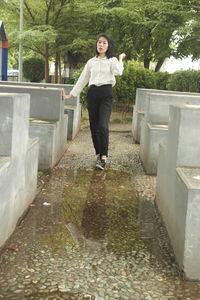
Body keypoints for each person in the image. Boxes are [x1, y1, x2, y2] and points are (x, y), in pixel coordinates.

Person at [63, 33, 126, 170]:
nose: (101, 45)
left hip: (106, 94)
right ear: (96, 45)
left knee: (103, 125)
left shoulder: (112, 60)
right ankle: (98, 154)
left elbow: (118, 72)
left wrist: (120, 59)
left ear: (108, 46)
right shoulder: (91, 62)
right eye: (99, 42)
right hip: (92, 94)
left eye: (104, 43)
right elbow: (83, 79)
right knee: (94, 127)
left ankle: (104, 157)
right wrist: (71, 95)